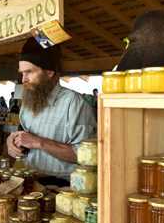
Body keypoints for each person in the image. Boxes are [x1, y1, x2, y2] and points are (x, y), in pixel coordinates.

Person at [6, 38, 97, 184]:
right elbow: (23, 135)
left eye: (29, 72)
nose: (23, 79)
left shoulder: (74, 104)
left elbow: (87, 156)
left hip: (64, 187)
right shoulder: (28, 101)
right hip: (30, 180)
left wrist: (40, 142)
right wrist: (12, 141)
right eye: (22, 73)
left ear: (49, 72)